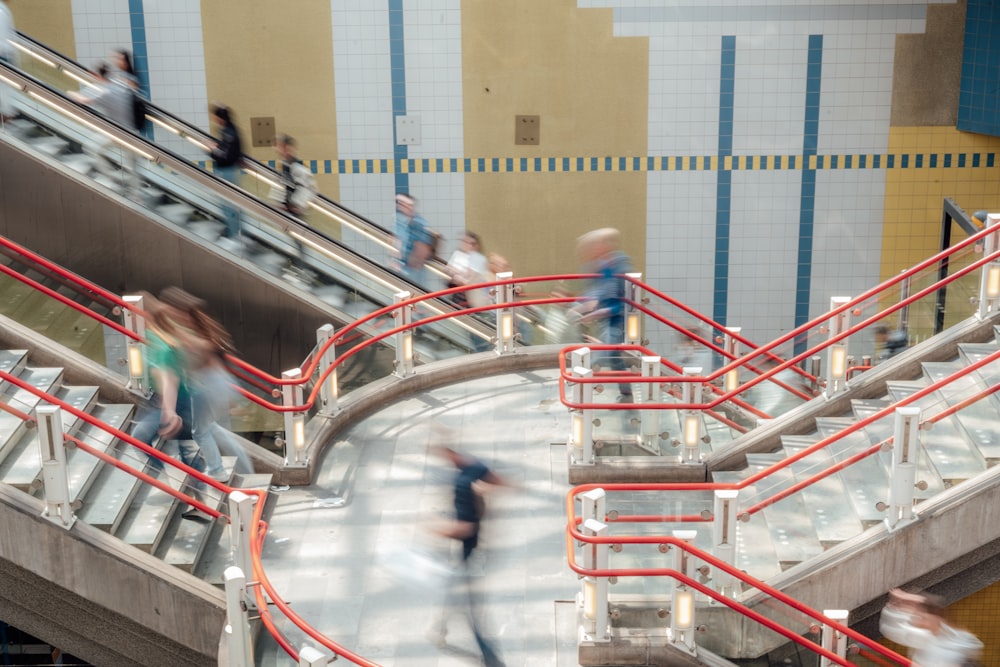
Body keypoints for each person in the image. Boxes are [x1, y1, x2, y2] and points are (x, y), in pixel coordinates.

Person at [156, 286, 253, 482]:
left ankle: (217, 470)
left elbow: (201, 352)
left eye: (170, 309)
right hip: (214, 384)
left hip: (205, 386)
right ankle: (243, 471)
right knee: (214, 429)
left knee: (200, 432)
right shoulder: (196, 325)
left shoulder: (191, 329)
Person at [429, 445, 507, 667]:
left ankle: (491, 660)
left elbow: (465, 529)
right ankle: (440, 628)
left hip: (470, 555)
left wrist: (434, 528)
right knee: (454, 591)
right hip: (473, 552)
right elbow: (499, 481)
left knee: (470, 609)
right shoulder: (475, 466)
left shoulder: (463, 485)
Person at [568, 228, 635, 402]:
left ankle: (584, 384)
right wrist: (581, 308)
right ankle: (626, 392)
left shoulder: (618, 266)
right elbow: (596, 294)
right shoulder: (602, 265)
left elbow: (616, 302)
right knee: (613, 355)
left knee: (606, 351)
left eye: (592, 246)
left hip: (616, 318)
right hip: (607, 316)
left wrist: (591, 313)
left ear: (603, 245)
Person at [880, 588, 982, 667]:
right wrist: (896, 606)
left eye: (924, 618)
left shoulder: (960, 639)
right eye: (919, 617)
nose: (920, 622)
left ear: (938, 618)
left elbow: (973, 645)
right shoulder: (921, 637)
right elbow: (889, 629)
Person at [208, 104, 244, 239]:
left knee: (229, 205)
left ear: (220, 118)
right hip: (230, 170)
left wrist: (212, 149)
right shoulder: (232, 129)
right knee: (233, 204)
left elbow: (226, 156)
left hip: (226, 172)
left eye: (215, 117)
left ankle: (234, 235)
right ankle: (237, 233)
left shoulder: (229, 133)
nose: (214, 119)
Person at [393, 193, 435, 285]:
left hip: (412, 272)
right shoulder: (402, 222)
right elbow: (398, 243)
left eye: (402, 203)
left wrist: (406, 266)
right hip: (403, 270)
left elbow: (422, 250)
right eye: (398, 203)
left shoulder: (419, 224)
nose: (399, 206)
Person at [273, 134, 315, 217]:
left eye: (280, 146)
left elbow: (309, 188)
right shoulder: (285, 165)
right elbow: (282, 186)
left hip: (295, 211)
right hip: (287, 210)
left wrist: (297, 205)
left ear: (288, 148)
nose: (277, 149)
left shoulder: (298, 166)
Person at [446, 231, 489, 309]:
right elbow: (450, 270)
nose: (467, 245)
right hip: (458, 293)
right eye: (464, 241)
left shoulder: (479, 258)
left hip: (473, 295)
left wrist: (460, 276)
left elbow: (473, 278)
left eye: (471, 243)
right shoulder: (457, 254)